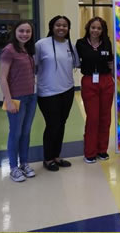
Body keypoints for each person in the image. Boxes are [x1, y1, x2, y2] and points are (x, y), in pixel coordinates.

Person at [35, 15, 78, 172]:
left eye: (65, 26)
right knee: (52, 125)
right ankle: (48, 158)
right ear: (52, 27)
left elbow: (78, 63)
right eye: (58, 25)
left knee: (61, 124)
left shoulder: (70, 45)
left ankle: (56, 156)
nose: (61, 28)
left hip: (67, 90)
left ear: (68, 29)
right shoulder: (41, 45)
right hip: (47, 92)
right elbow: (32, 65)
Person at [0, 21, 37, 182]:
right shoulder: (9, 50)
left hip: (31, 97)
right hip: (16, 98)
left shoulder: (27, 49)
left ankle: (25, 164)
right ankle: (13, 167)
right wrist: (8, 100)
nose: (24, 34)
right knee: (15, 133)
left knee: (26, 132)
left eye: (28, 31)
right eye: (21, 31)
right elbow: (2, 77)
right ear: (15, 31)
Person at [76, 16, 114, 164]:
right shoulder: (80, 44)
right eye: (93, 27)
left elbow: (110, 62)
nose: (96, 30)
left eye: (99, 28)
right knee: (93, 118)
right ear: (88, 28)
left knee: (105, 117)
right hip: (89, 81)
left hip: (105, 80)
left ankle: (102, 150)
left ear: (102, 30)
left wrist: (114, 79)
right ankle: (90, 151)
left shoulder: (107, 43)